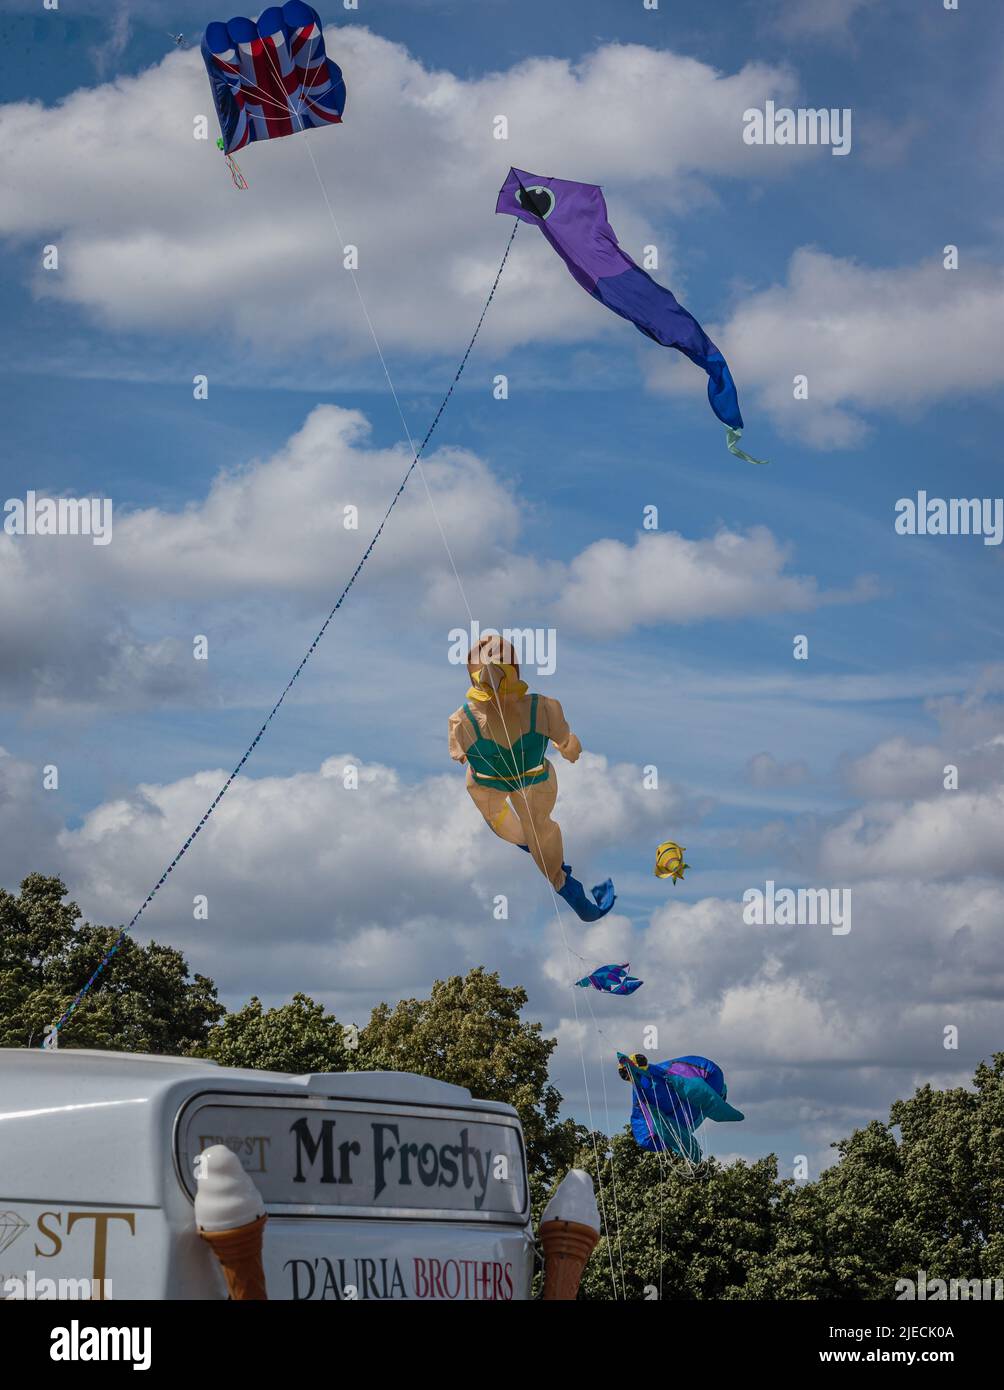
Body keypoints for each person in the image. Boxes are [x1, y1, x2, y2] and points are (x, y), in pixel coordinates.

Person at [448, 635, 615, 922]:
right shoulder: (461, 721)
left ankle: (562, 881)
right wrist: (569, 748)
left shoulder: (545, 708)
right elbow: (459, 754)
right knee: (511, 828)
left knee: (539, 828)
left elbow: (567, 745)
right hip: (488, 785)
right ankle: (540, 851)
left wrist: (569, 748)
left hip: (533, 782)